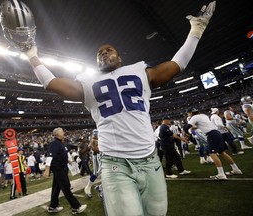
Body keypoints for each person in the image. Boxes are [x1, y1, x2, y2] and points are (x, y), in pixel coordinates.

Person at [18, 1, 216, 215]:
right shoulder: (87, 82)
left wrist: (196, 30)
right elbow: (52, 83)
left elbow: (178, 64)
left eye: (108, 50)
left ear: (119, 57)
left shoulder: (140, 70)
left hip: (150, 160)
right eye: (99, 53)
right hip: (116, 164)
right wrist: (31, 54)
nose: (103, 53)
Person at [184, 108, 243, 180]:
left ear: (191, 113)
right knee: (222, 152)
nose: (188, 115)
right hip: (217, 133)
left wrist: (185, 133)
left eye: (188, 113)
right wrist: (194, 128)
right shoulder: (203, 115)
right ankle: (236, 169)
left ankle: (221, 174)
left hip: (211, 135)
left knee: (212, 153)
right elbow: (201, 125)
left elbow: (186, 127)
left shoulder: (194, 117)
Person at [45, 127, 87, 214]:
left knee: (56, 188)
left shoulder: (61, 143)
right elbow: (50, 156)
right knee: (65, 187)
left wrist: (68, 160)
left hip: (62, 167)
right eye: (62, 132)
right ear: (57, 134)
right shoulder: (54, 143)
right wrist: (47, 169)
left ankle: (52, 207)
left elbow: (62, 154)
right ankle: (76, 207)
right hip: (58, 168)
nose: (63, 133)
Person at [84, 129, 102, 198]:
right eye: (95, 135)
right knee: (97, 172)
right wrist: (92, 144)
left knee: (101, 172)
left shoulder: (97, 139)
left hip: (99, 155)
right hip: (97, 156)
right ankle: (88, 187)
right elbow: (96, 150)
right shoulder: (94, 140)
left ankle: (99, 187)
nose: (95, 137)